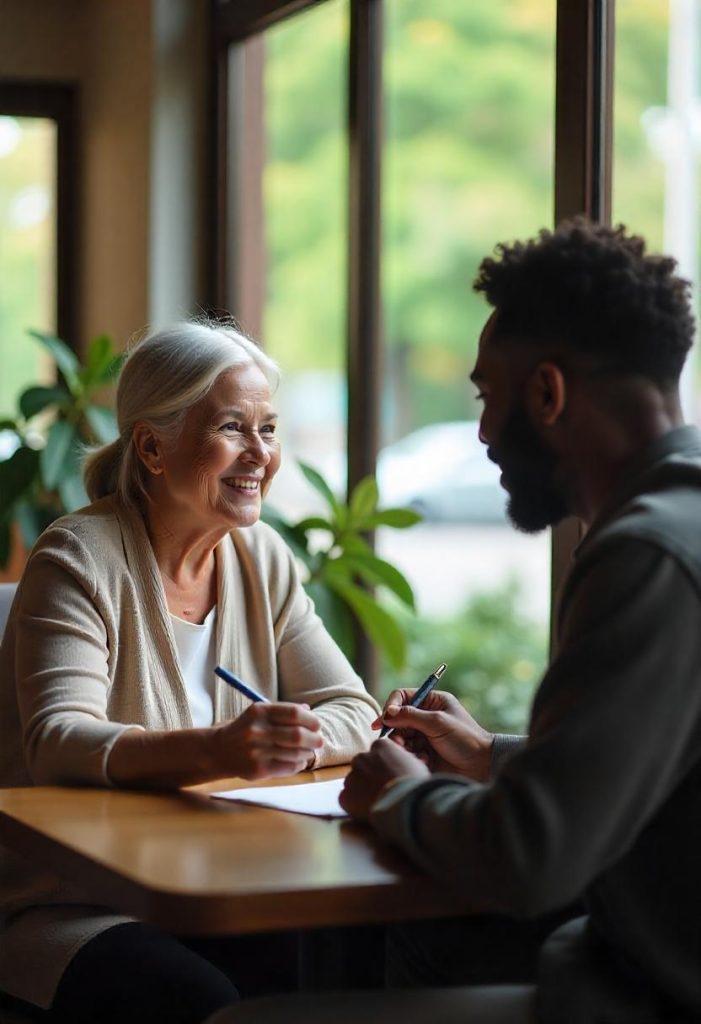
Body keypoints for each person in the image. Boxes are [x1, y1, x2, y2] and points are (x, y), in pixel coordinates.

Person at [336, 220, 701, 1022]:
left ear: (545, 394)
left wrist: (399, 795)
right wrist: (490, 757)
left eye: (484, 396)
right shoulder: (680, 518)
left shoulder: (645, 554)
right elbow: (653, 770)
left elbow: (528, 860)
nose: (479, 432)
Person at [0, 320, 379, 1023]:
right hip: (72, 904)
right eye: (233, 428)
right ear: (151, 447)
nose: (260, 454)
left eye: (269, 429)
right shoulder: (76, 558)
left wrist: (291, 743)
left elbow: (354, 710)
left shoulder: (263, 558)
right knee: (197, 1000)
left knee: (333, 962)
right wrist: (221, 749)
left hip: (216, 883)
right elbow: (58, 740)